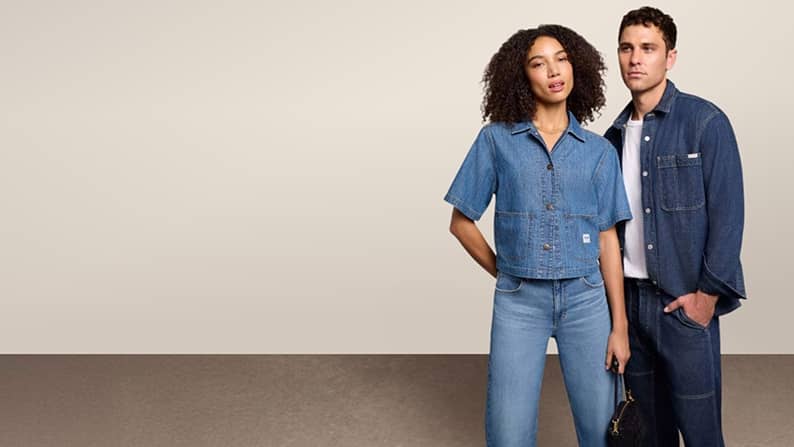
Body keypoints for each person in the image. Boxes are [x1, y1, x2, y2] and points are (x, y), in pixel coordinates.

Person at [444, 25, 632, 447]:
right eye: (538, 62)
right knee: (507, 435)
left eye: (561, 58)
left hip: (587, 300)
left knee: (605, 432)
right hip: (519, 304)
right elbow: (461, 222)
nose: (553, 70)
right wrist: (506, 273)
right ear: (521, 76)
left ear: (576, 66)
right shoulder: (495, 141)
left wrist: (619, 326)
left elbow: (608, 240)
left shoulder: (598, 151)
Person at [604, 7, 747, 446]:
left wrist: (706, 299)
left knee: (702, 433)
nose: (635, 59)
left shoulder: (705, 122)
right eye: (627, 48)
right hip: (631, 305)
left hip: (683, 305)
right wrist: (616, 317)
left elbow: (729, 214)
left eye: (648, 48)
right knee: (652, 434)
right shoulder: (610, 137)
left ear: (671, 57)